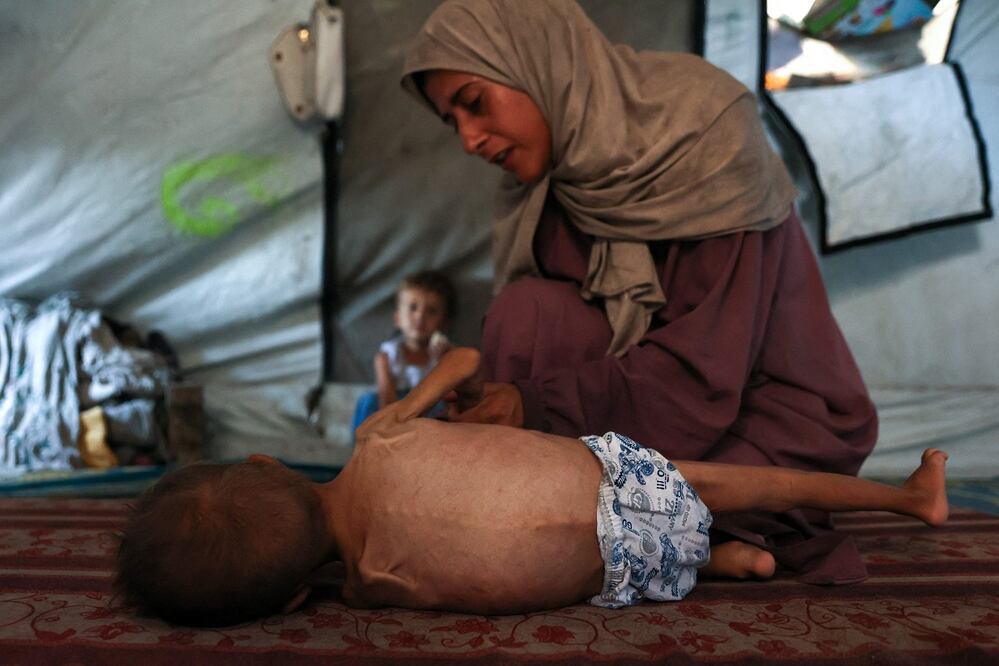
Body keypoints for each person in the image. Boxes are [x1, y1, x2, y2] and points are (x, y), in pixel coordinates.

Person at [399, 0, 879, 583]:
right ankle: (679, 538)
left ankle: (653, 532)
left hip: (759, 403)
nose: (470, 140)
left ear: (539, 60)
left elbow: (704, 374)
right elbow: (552, 343)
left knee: (729, 485)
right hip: (641, 408)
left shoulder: (703, 129)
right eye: (453, 122)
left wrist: (536, 403)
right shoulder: (545, 186)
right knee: (525, 312)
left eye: (474, 103)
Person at [114, 348, 948, 627]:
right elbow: (467, 364)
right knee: (739, 482)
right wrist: (443, 384)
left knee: (604, 552)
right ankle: (906, 500)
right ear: (267, 465)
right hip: (626, 474)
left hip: (627, 569)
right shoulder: (376, 439)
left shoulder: (373, 590)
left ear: (297, 599)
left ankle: (727, 563)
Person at [350, 270, 456, 434]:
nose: (420, 316)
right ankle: (367, 453)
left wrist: (448, 360)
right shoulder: (386, 357)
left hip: (428, 418)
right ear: (398, 318)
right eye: (413, 307)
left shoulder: (444, 355)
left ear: (445, 323)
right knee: (368, 401)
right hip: (393, 415)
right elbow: (386, 403)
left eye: (432, 311)